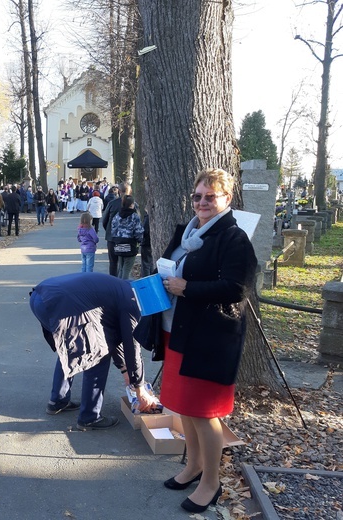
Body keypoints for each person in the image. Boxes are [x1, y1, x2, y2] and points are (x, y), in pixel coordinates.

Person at [158, 168, 257, 513]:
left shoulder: (234, 238)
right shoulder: (188, 233)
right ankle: (194, 466)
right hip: (178, 330)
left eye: (210, 197)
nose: (202, 202)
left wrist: (188, 288)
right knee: (184, 406)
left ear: (226, 199)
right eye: (198, 196)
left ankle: (211, 482)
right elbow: (171, 266)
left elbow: (237, 288)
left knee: (204, 413)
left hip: (211, 338)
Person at [30, 273, 154, 431]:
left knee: (71, 347)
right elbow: (132, 346)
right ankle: (90, 417)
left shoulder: (124, 288)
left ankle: (58, 401)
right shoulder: (133, 303)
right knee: (98, 354)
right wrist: (140, 387)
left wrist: (125, 369)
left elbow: (113, 336)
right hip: (60, 304)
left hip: (40, 297)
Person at [110, 195, 145, 280]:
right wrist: (141, 241)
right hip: (130, 245)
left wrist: (116, 240)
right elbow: (138, 231)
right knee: (127, 269)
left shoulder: (117, 216)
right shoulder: (134, 216)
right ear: (131, 205)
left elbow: (113, 229)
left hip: (119, 244)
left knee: (121, 268)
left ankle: (118, 285)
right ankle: (124, 286)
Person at [102, 181, 131, 276]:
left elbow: (104, 220)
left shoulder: (112, 203)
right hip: (126, 238)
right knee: (124, 263)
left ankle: (113, 283)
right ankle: (122, 282)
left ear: (119, 191)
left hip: (113, 238)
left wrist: (109, 231)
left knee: (113, 263)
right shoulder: (133, 204)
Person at [140, 210, 153, 278]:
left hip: (147, 243)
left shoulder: (148, 217)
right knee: (150, 263)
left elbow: (144, 230)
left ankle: (146, 279)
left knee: (146, 264)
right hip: (149, 243)